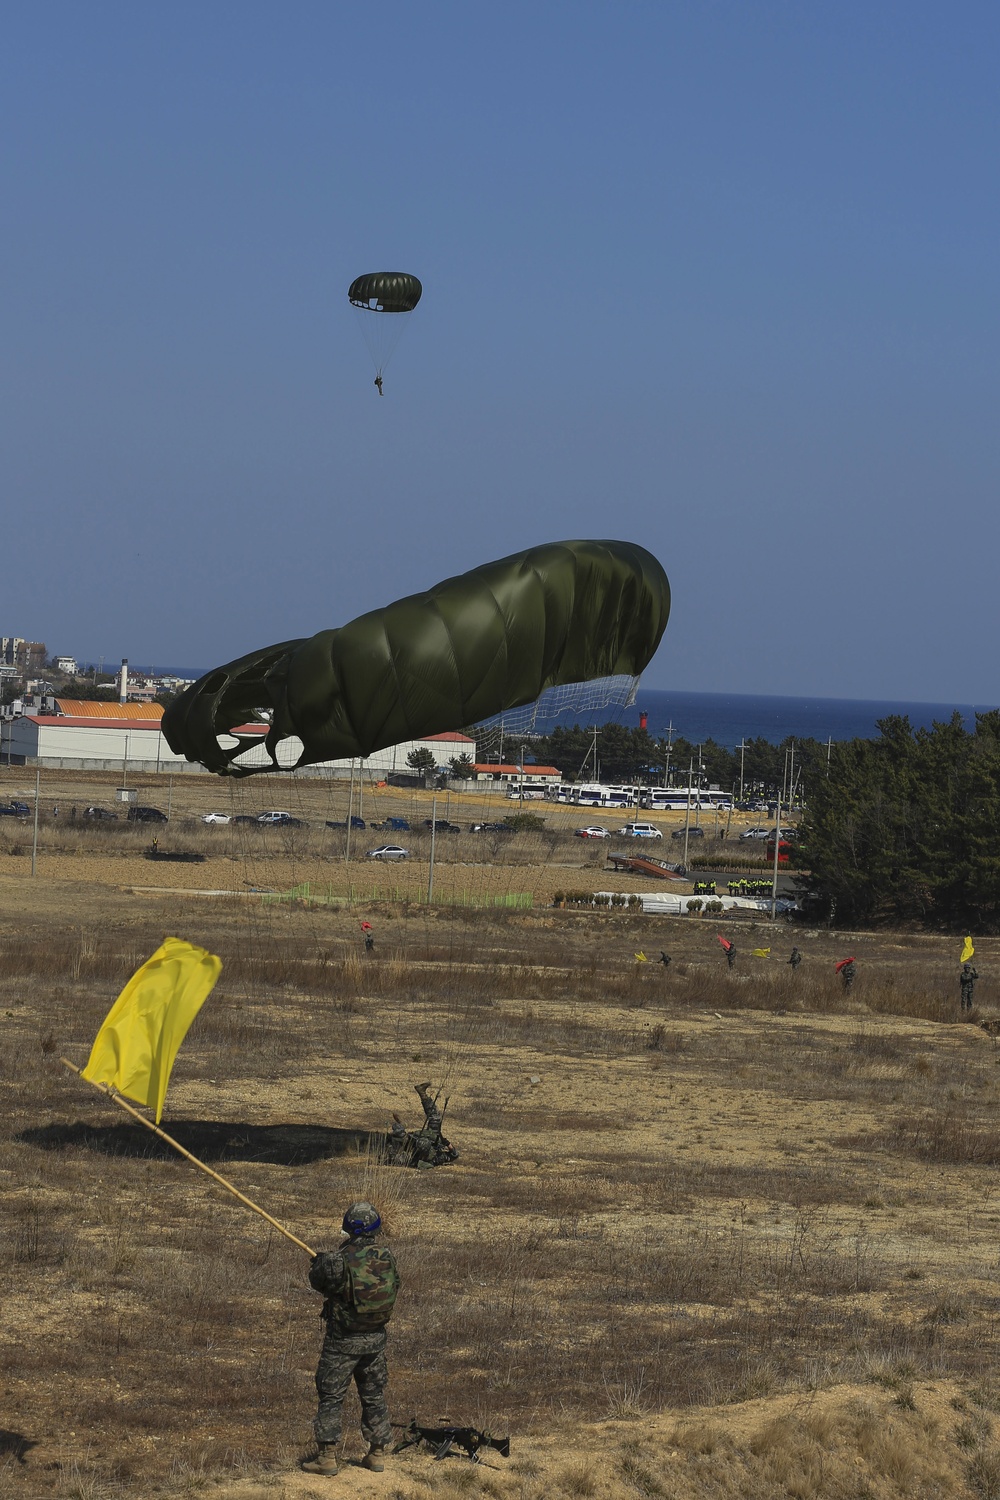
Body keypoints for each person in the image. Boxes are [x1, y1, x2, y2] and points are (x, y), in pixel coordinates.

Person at [303, 1201, 399, 1477]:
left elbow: (317, 1281)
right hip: (375, 1340)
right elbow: (397, 1284)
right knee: (373, 1394)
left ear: (347, 1227)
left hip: (342, 1342)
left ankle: (327, 1457)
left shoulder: (337, 1260)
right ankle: (377, 1452)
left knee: (331, 1395)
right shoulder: (387, 1257)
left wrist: (321, 1264)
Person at [387, 1082, 459, 1168]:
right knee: (435, 1117)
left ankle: (391, 1137)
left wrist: (392, 1144)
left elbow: (392, 1158)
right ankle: (422, 1092)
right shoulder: (437, 1158)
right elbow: (454, 1155)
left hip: (408, 1141)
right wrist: (446, 1142)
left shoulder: (412, 1159)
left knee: (399, 1134)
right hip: (430, 1137)